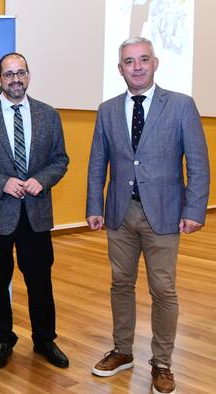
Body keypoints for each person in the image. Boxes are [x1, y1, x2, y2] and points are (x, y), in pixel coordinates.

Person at [86, 37, 209, 394]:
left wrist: (194, 209)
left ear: (155, 63)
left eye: (143, 60)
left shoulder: (181, 105)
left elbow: (198, 164)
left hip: (166, 214)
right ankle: (123, 351)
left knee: (163, 290)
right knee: (120, 285)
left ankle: (162, 362)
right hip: (120, 214)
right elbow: (98, 163)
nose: (136, 67)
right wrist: (95, 205)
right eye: (129, 61)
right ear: (120, 68)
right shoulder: (107, 109)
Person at [0, 52, 69, 369]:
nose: (15, 79)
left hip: (36, 215)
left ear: (29, 76)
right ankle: (3, 340)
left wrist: (41, 180)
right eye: (9, 74)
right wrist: (2, 182)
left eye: (21, 72)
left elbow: (60, 160)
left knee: (40, 281)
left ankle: (45, 340)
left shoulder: (49, 115)